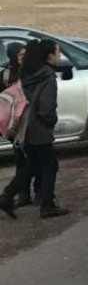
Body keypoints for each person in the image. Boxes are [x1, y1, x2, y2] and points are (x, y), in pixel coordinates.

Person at [1, 40, 69, 219]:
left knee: (31, 165)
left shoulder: (27, 73)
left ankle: (7, 197)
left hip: (24, 127)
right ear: (49, 55)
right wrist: (50, 121)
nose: (59, 56)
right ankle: (47, 205)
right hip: (39, 128)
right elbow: (46, 107)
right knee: (50, 165)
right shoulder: (47, 76)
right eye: (57, 52)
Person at [2, 42, 37, 209]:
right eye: (21, 56)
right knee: (22, 161)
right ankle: (23, 195)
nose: (25, 58)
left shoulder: (31, 72)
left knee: (35, 160)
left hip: (30, 124)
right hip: (15, 127)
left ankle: (38, 192)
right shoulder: (6, 75)